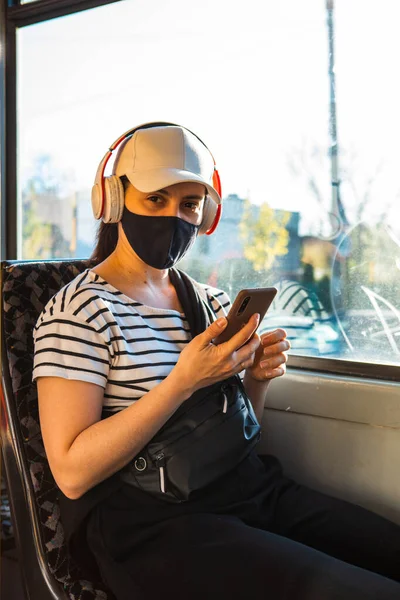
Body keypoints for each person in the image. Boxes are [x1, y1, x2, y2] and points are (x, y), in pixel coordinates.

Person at [33, 122, 400, 600]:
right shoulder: (80, 311)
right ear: (114, 200)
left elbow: (229, 434)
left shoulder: (209, 301)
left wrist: (255, 379)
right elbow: (71, 473)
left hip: (247, 491)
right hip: (158, 526)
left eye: (189, 204)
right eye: (156, 199)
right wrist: (181, 382)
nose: (174, 216)